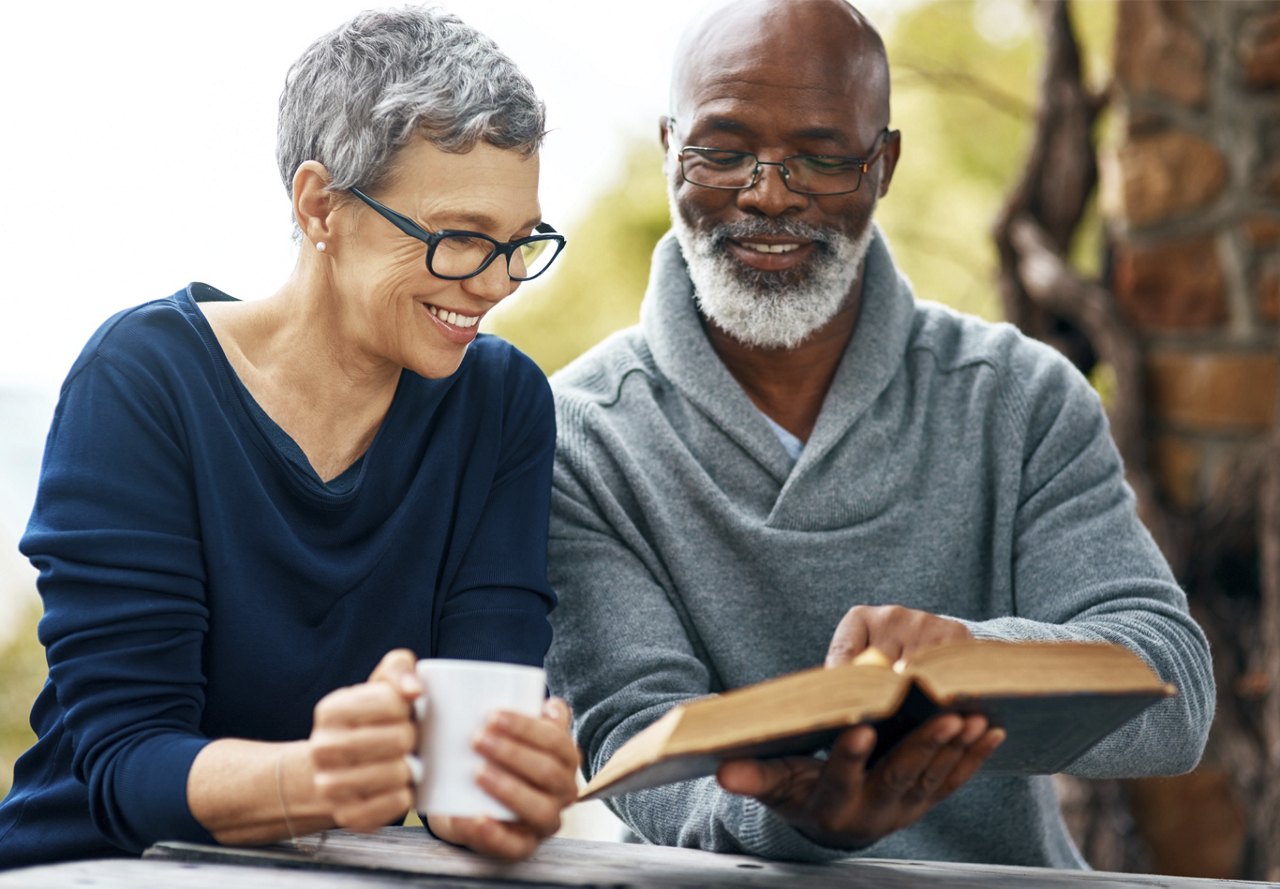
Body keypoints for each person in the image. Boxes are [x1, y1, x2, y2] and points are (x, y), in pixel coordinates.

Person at [544, 0, 1214, 868]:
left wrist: (971, 664)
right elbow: (632, 739)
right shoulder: (578, 435)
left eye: (822, 156)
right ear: (671, 145)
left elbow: (1176, 695)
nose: (769, 192)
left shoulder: (1020, 397)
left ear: (885, 164)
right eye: (724, 148)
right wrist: (789, 818)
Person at [0, 7, 580, 870]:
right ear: (321, 204)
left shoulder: (502, 405)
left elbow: (468, 777)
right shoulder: (145, 379)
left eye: (518, 243)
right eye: (460, 239)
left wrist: (502, 788)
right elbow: (123, 763)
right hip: (90, 863)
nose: (496, 284)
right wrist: (318, 778)